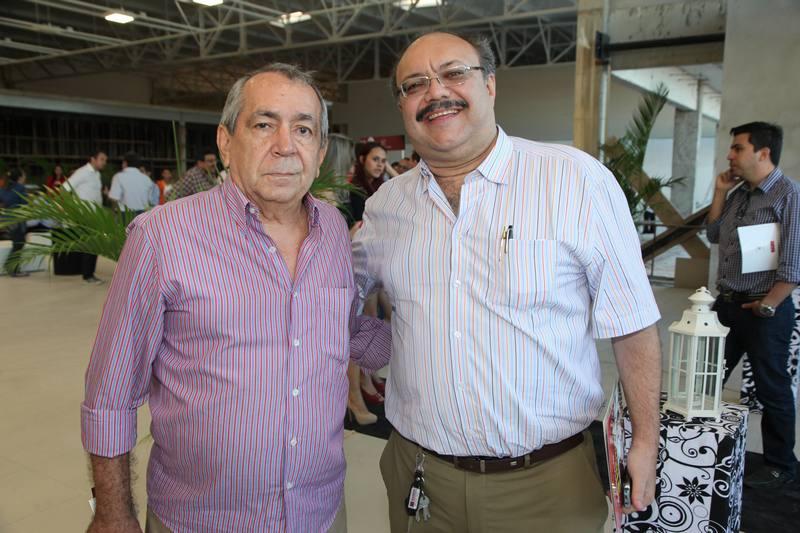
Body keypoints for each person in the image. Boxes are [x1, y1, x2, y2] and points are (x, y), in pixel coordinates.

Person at [352, 31, 662, 532]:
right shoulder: (386, 206)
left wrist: (645, 441)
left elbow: (633, 324)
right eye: (415, 84)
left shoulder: (574, 181)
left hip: (546, 487)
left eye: (454, 73)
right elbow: (331, 295)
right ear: (402, 105)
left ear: (491, 85)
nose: (436, 92)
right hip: (420, 478)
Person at [81, 63, 391, 533]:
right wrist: (112, 512)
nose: (285, 145)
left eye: (303, 129)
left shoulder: (331, 229)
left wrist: (423, 339)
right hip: (202, 520)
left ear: (321, 150)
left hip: (320, 513)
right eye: (264, 124)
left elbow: (342, 328)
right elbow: (110, 393)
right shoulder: (162, 237)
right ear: (226, 142)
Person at [707, 121, 799, 488]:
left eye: (738, 148)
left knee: (771, 388)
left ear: (763, 153)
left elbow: (793, 263)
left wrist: (769, 305)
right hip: (727, 305)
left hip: (764, 310)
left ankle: (781, 465)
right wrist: (719, 192)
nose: (730, 155)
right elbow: (714, 234)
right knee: (707, 378)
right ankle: (701, 447)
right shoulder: (739, 194)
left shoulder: (788, 195)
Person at [64, 149, 107, 284]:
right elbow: (64, 188)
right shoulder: (82, 172)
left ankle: (89, 274)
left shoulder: (97, 174)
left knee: (95, 245)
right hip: (85, 216)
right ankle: (88, 275)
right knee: (91, 244)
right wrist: (73, 209)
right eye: (102, 159)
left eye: (105, 160)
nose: (104, 162)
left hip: (96, 216)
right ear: (93, 159)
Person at [348, 141, 389, 226]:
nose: (380, 165)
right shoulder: (354, 189)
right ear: (362, 159)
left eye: (383, 161)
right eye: (375, 159)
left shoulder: (384, 187)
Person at [0, 168, 29, 277]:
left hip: (7, 219)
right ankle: (13, 269)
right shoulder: (20, 188)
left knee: (17, 242)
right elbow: (25, 203)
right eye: (24, 175)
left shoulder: (4, 187)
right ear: (20, 177)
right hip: (18, 219)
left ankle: (11, 267)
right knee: (19, 243)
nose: (25, 177)